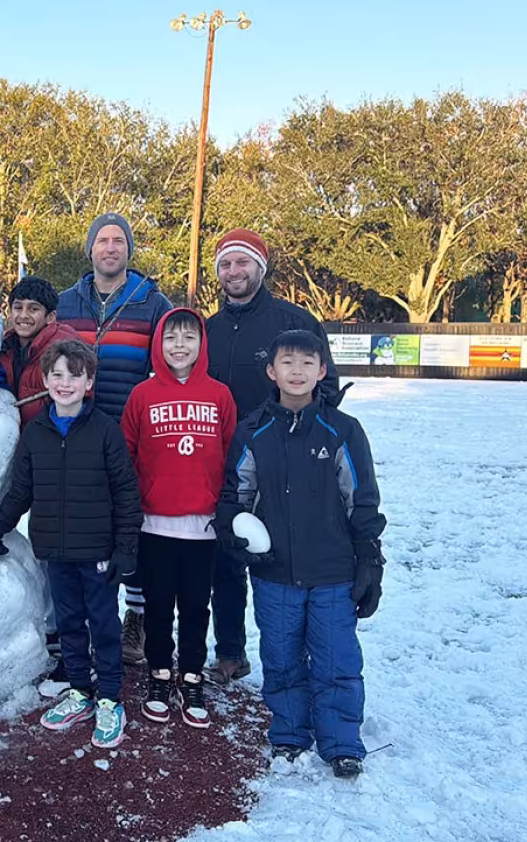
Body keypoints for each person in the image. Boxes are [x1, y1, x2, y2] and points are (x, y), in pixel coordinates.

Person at [215, 329, 384, 779]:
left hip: (333, 573)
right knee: (282, 657)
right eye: (287, 363)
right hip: (274, 573)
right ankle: (289, 735)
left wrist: (370, 559)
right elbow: (237, 492)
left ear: (322, 371)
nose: (297, 371)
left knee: (336, 659)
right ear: (271, 371)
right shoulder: (254, 430)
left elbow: (361, 499)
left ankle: (342, 741)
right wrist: (233, 531)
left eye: (307, 363)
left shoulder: (343, 430)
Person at [0, 339, 142, 750]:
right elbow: (21, 491)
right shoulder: (36, 432)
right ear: (46, 381)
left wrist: (126, 548)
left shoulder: (105, 430)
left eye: (74, 375)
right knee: (68, 623)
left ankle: (108, 696)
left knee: (103, 625)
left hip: (99, 552)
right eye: (57, 375)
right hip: (56, 550)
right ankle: (79, 691)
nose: (64, 382)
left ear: (89, 381)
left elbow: (125, 490)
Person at [203, 228, 342, 686]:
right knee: (226, 555)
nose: (233, 272)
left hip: (279, 461)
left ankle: (294, 660)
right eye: (225, 264)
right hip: (218, 460)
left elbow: (326, 391)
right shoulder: (209, 329)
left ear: (260, 268)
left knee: (280, 558)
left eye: (242, 263)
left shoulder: (292, 323)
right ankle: (229, 651)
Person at [55, 212, 172, 667]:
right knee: (81, 526)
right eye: (101, 240)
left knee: (130, 524)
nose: (109, 247)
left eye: (118, 241)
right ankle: (80, 617)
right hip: (75, 432)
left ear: (129, 250)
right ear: (90, 249)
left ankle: (136, 618)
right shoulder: (66, 302)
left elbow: (169, 364)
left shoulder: (153, 302)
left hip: (131, 431)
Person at [121, 309, 236, 729]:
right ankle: (158, 673)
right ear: (158, 344)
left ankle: (190, 674)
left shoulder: (220, 395)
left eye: (189, 337)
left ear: (202, 343)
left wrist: (222, 507)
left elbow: (229, 452)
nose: (180, 345)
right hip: (155, 524)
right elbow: (128, 456)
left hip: (202, 527)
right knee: (156, 606)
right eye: (171, 338)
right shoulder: (142, 395)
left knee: (195, 606)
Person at [0, 276, 79, 426]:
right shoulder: (2, 349)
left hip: (47, 441)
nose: (23, 315)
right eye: (18, 307)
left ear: (50, 317)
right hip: (6, 438)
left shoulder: (64, 352)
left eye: (33, 309)